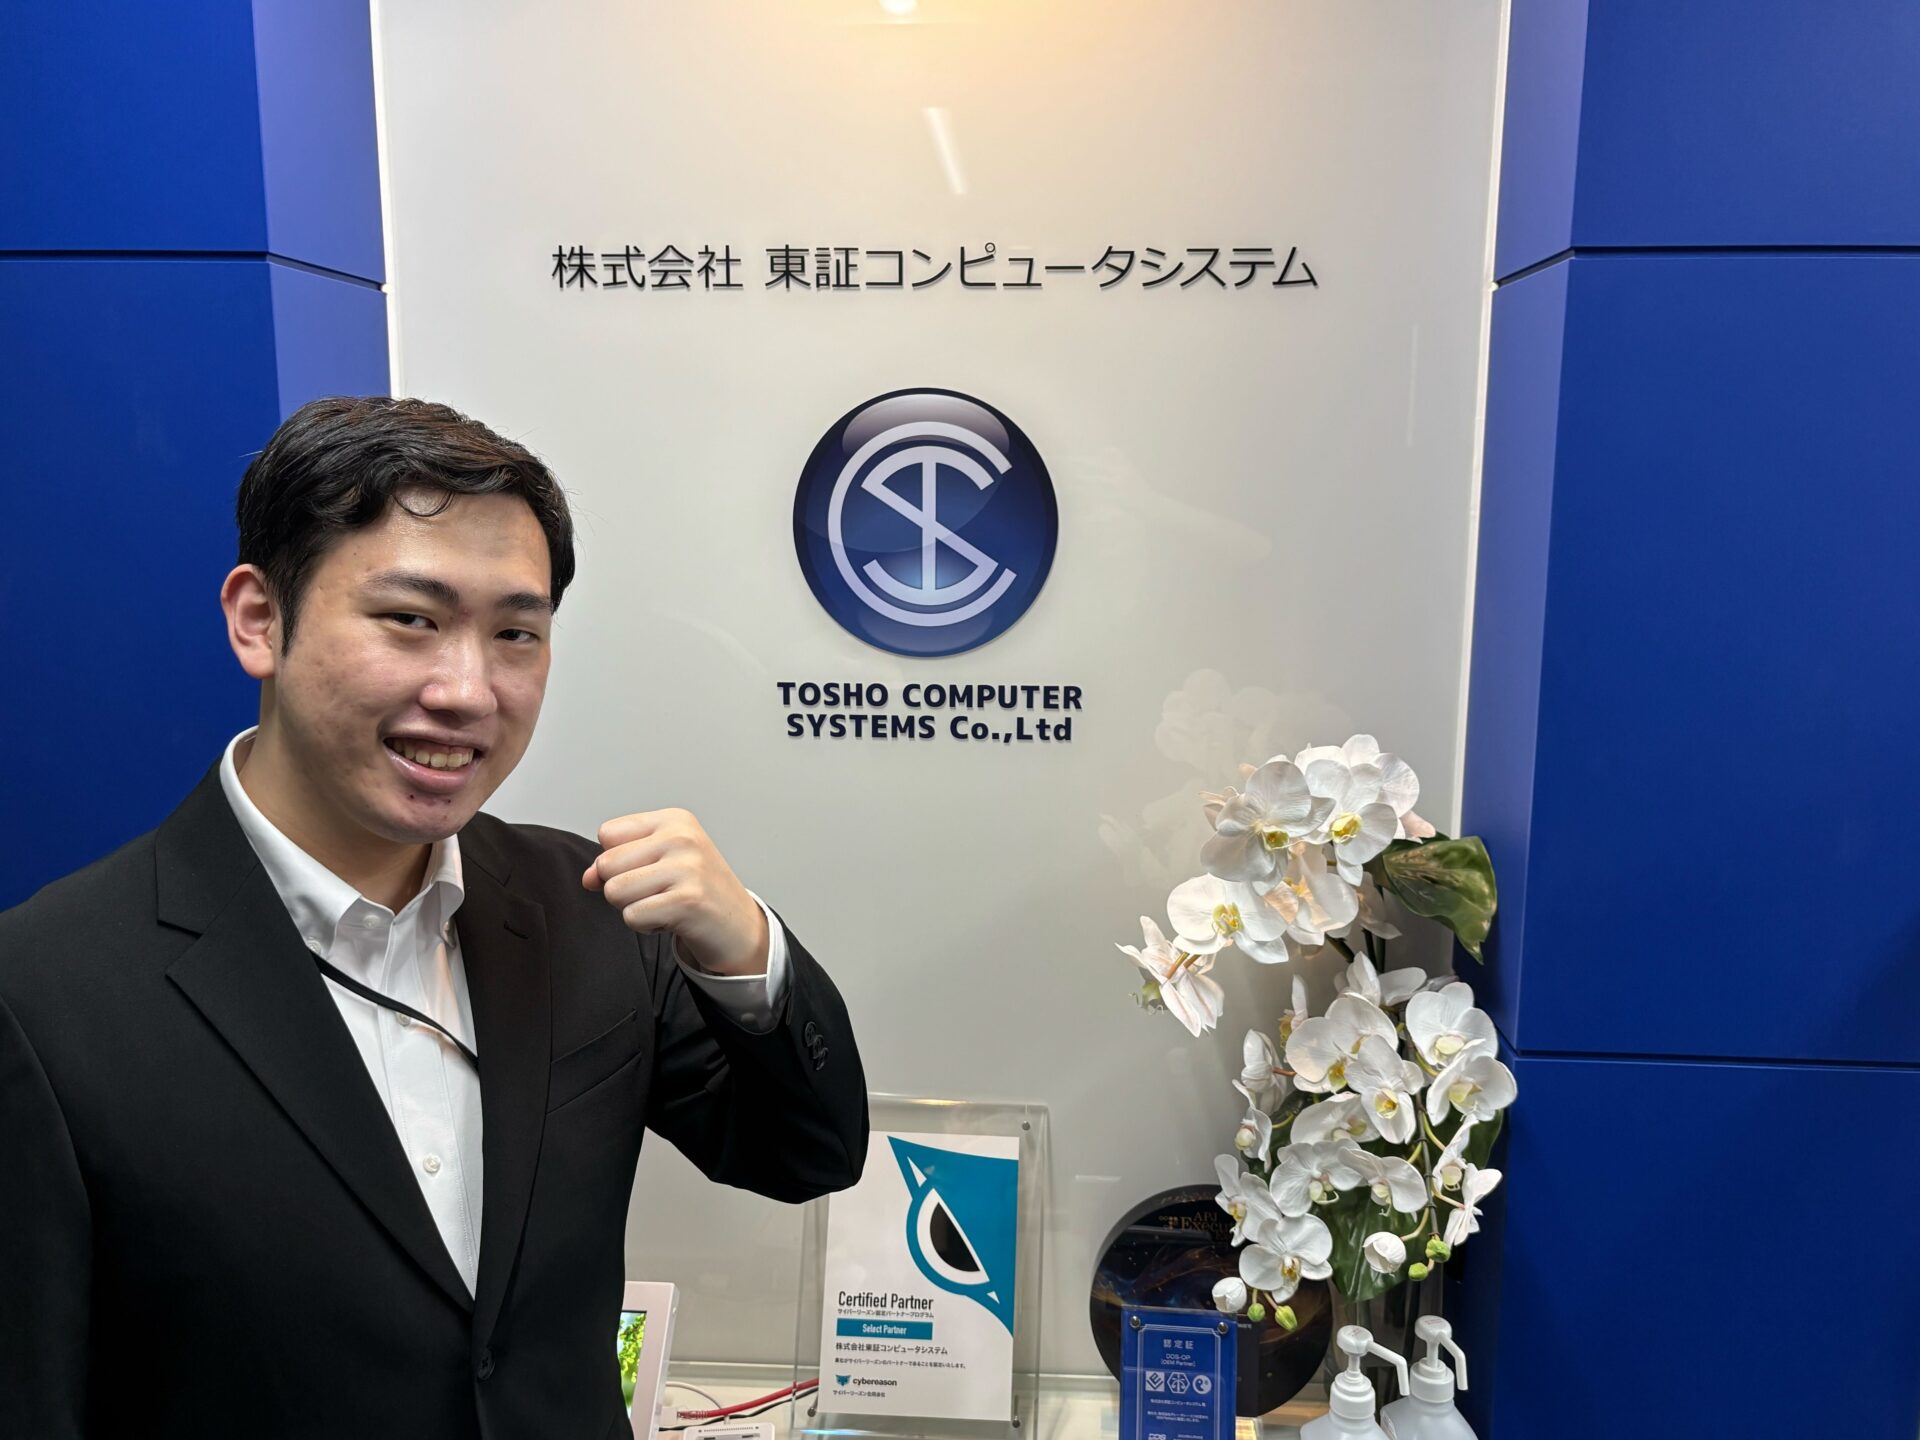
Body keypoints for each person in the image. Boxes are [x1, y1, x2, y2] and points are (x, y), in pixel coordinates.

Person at [0, 396, 867, 1438]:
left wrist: (746, 953)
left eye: (515, 634)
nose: (468, 690)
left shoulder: (590, 907)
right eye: (411, 620)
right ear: (259, 619)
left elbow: (806, 1156)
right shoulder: (44, 994)